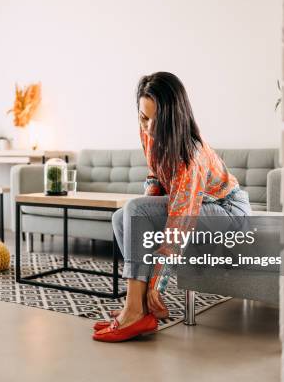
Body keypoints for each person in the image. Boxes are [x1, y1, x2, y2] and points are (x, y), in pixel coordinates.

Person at [93, 72, 251, 342]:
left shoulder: (191, 154)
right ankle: (139, 310)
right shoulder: (147, 132)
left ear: (174, 118)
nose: (149, 127)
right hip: (198, 206)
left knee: (134, 210)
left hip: (228, 210)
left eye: (158, 120)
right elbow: (155, 176)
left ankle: (135, 310)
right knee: (122, 217)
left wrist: (157, 285)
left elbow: (181, 222)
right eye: (144, 117)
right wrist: (144, 208)